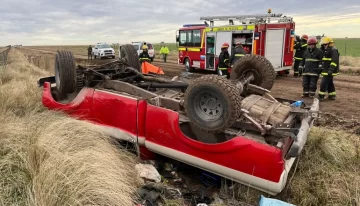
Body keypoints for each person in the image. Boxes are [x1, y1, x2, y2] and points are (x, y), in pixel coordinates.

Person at [318, 36, 340, 101]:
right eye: (323, 45)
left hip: (330, 70)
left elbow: (334, 61)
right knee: (329, 82)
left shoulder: (333, 50)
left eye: (325, 44)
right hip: (326, 69)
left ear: (329, 43)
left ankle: (321, 96)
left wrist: (331, 70)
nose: (324, 46)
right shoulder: (325, 49)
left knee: (324, 83)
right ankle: (332, 95)